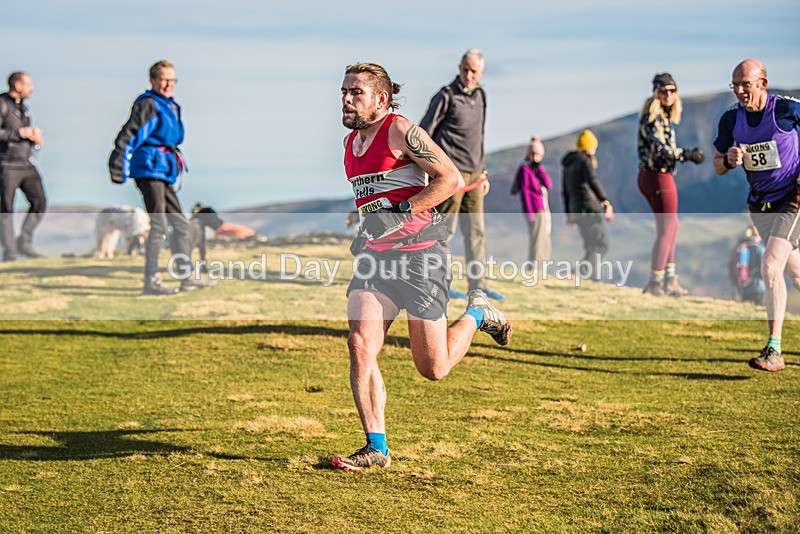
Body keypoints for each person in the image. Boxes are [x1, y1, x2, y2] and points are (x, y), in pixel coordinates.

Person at [332, 62, 512, 471]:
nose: (345, 99)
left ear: (380, 98)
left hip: (421, 256)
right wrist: (367, 230)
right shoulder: (350, 145)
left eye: (355, 92)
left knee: (433, 368)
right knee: (361, 342)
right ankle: (376, 447)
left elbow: (448, 178)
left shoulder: (399, 129)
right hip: (377, 261)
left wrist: (401, 213)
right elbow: (375, 198)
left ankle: (478, 313)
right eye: (343, 91)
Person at [713, 58, 800, 372]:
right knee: (795, 273)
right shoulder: (730, 120)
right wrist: (729, 159)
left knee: (770, 266)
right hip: (761, 205)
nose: (739, 90)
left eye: (745, 84)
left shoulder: (786, 110)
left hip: (794, 199)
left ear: (762, 83)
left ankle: (774, 349)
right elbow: (718, 164)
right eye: (735, 85)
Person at [109, 60, 213, 295]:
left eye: (172, 80)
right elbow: (129, 134)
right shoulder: (148, 104)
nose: (168, 84)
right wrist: (118, 165)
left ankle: (187, 277)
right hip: (148, 169)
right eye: (164, 79)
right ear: (153, 81)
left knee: (181, 224)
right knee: (159, 225)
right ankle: (152, 280)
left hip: (164, 169)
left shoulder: (170, 105)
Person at [419, 49, 504, 301]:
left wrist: (484, 171)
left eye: (474, 71)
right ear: (459, 67)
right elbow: (423, 134)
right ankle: (441, 285)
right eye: (465, 69)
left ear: (481, 73)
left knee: (476, 233)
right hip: (449, 176)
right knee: (443, 233)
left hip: (476, 176)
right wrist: (433, 172)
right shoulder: (445, 96)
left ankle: (479, 286)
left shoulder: (481, 96)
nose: (468, 75)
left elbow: (479, 135)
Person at [637, 73, 705, 297]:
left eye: (672, 91)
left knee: (670, 227)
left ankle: (668, 278)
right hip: (658, 176)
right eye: (664, 91)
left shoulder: (661, 118)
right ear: (656, 93)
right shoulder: (655, 119)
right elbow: (661, 149)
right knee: (668, 228)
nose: (669, 95)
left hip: (651, 176)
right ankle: (657, 281)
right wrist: (687, 155)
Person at [0, 72, 46, 261]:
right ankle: (10, 253)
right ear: (18, 86)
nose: (32, 88)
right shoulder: (2, 104)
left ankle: (24, 242)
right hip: (6, 164)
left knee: (40, 202)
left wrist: (34, 139)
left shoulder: (23, 107)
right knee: (6, 208)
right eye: (29, 84)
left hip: (26, 163)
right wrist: (19, 132)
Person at [561, 129, 614, 279]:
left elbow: (565, 192)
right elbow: (593, 181)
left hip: (576, 210)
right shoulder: (584, 161)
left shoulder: (568, 165)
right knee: (601, 244)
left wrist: (569, 214)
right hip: (588, 208)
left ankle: (593, 279)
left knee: (591, 246)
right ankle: (577, 272)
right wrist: (605, 201)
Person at [511, 135, 552, 262]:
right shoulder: (524, 170)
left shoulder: (537, 171)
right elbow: (525, 192)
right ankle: (535, 266)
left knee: (544, 238)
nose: (535, 157)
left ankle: (542, 264)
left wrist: (539, 168)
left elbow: (548, 184)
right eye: (533, 154)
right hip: (534, 209)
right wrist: (530, 213)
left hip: (542, 208)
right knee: (537, 239)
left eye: (538, 155)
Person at [728, 224, 765, 306]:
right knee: (758, 308)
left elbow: (731, 264)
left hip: (743, 284)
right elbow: (764, 265)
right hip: (759, 284)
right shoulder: (760, 248)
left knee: (745, 307)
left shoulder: (741, 247)